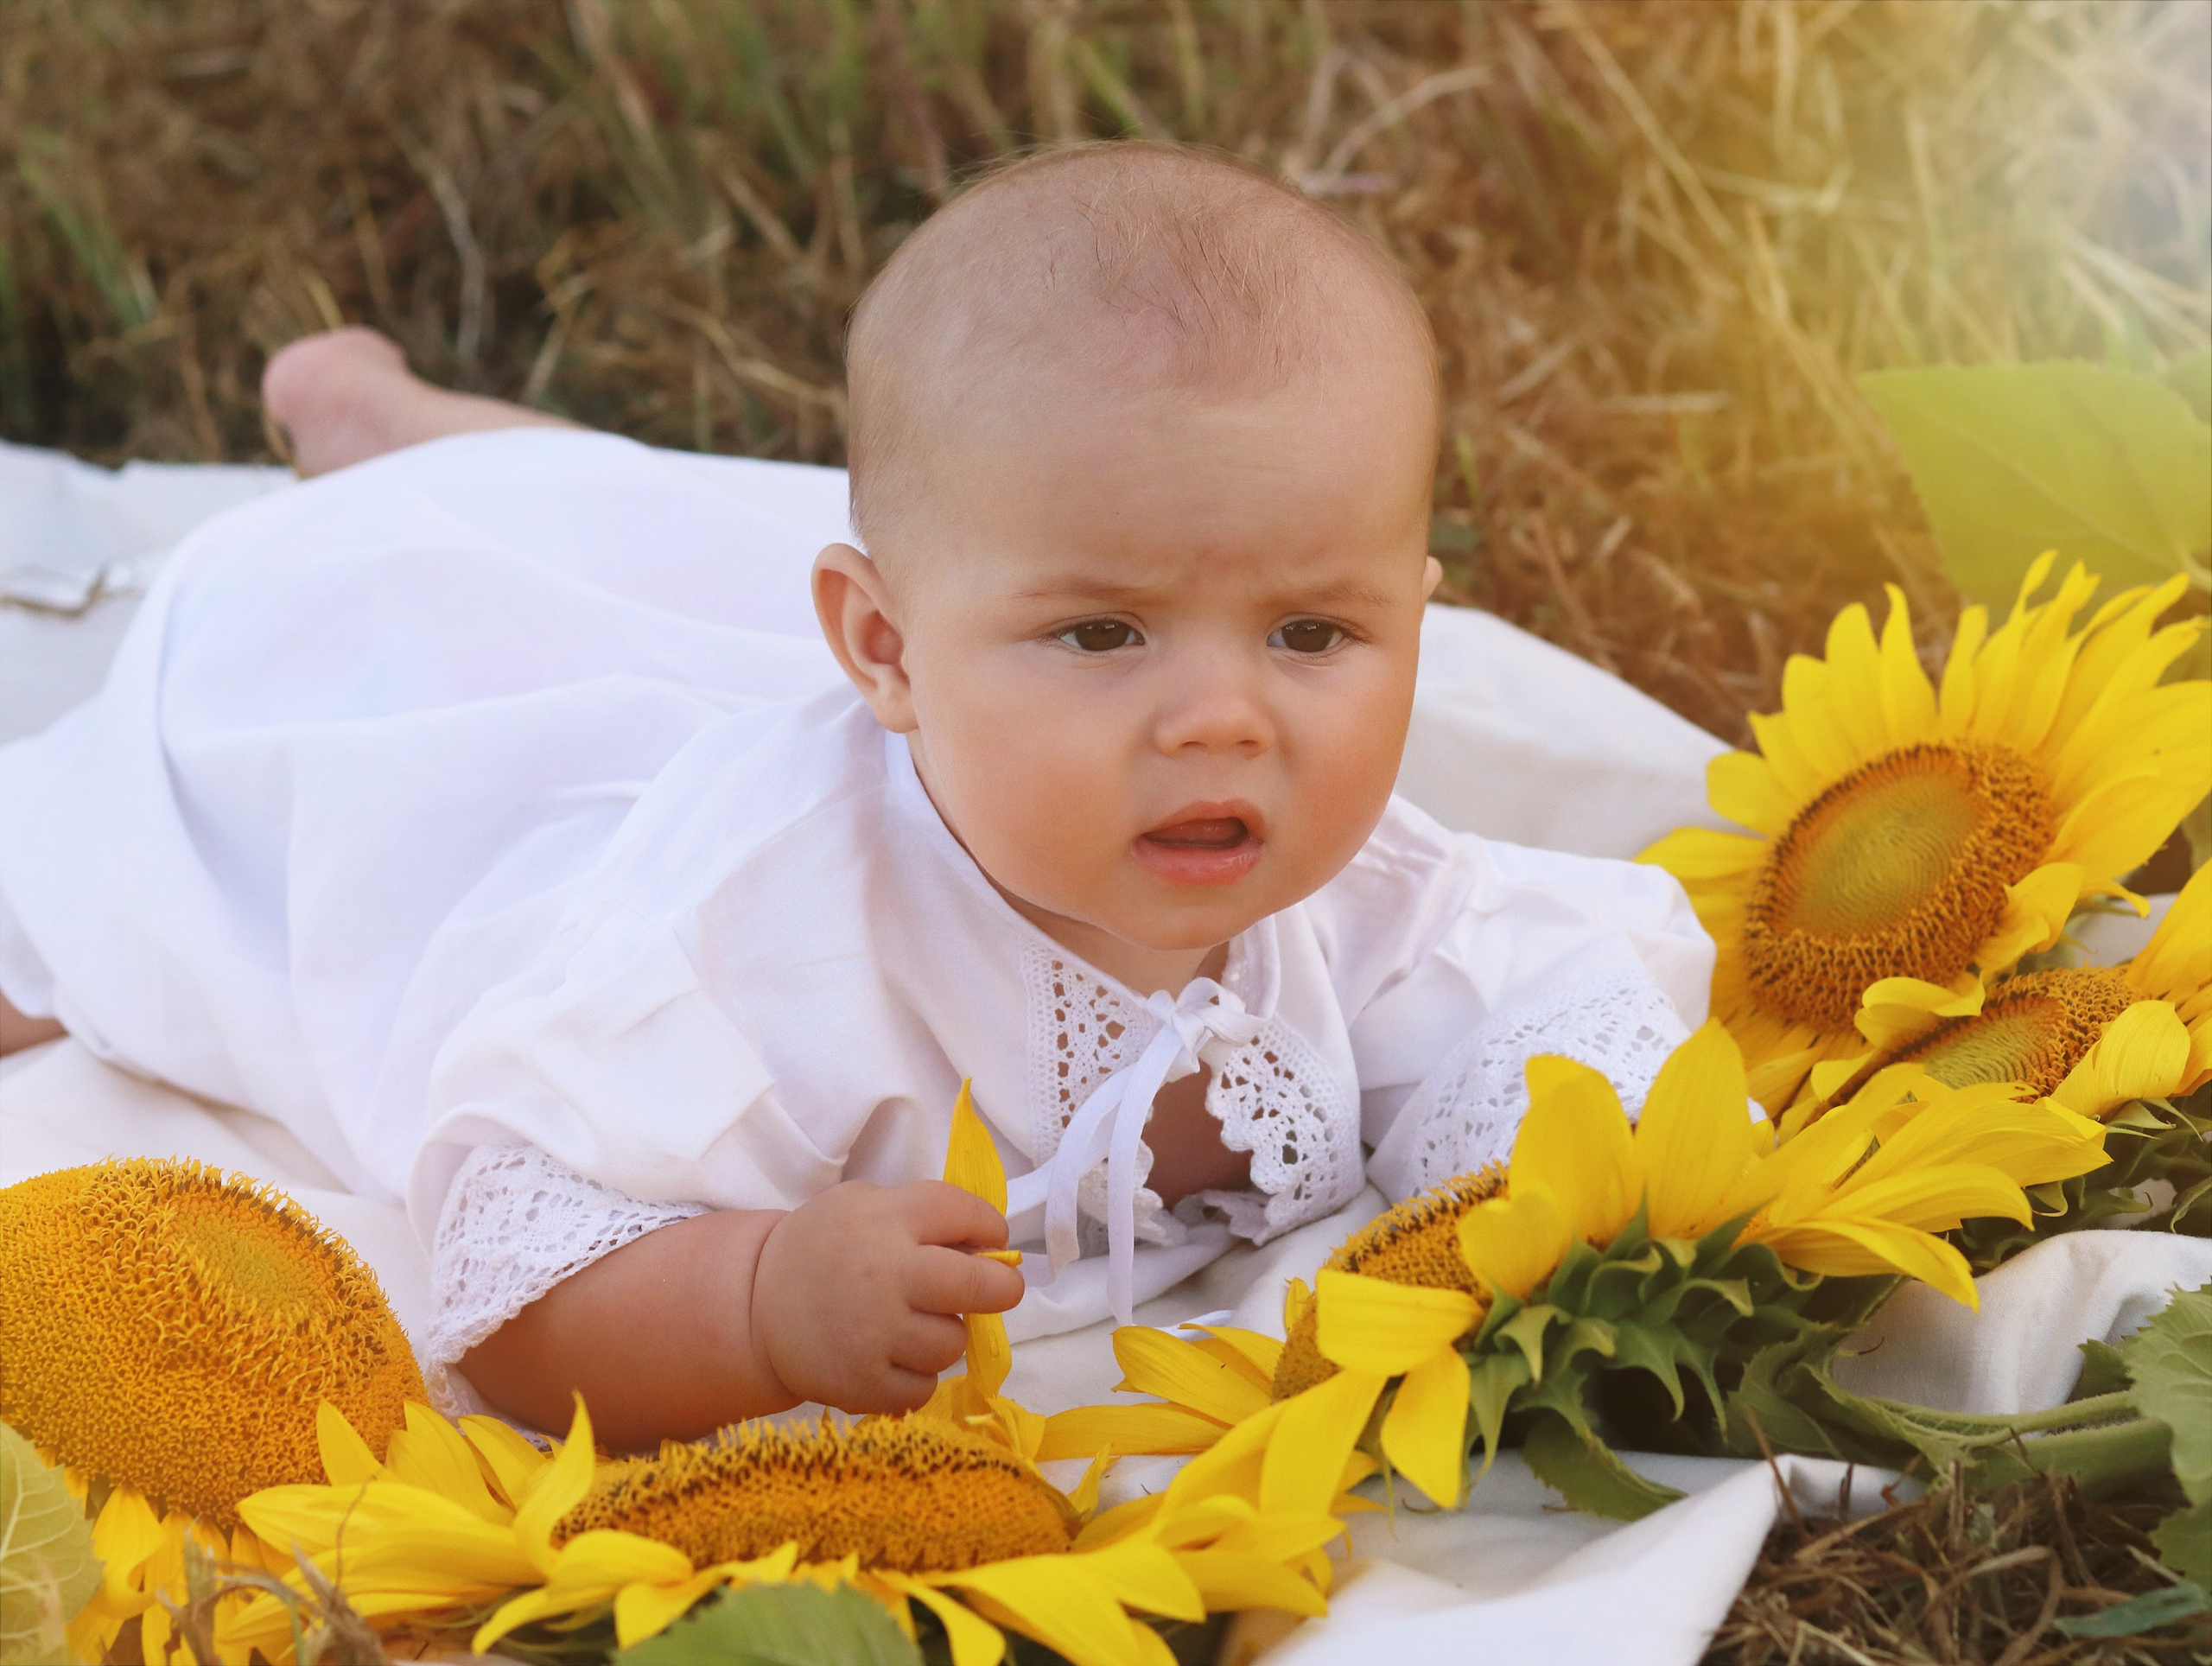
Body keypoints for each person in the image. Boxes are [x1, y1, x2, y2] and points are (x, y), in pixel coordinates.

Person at [0, 143, 1711, 1450]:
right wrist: (754, 1296)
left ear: (1407, 608)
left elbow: (1555, 1014)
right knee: (360, 683)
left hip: (815, 636)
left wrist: (1544, 1192)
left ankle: (416, 429)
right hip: (444, 730)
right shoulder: (750, 945)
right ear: (881, 650)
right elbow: (510, 1246)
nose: (1221, 719)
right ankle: (397, 461)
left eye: (1313, 630)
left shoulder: (1347, 883)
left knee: (648, 533)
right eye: (1103, 633)